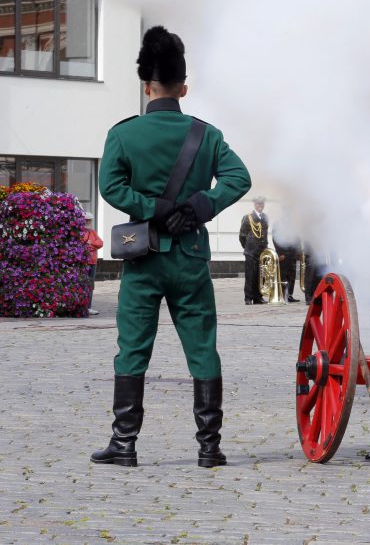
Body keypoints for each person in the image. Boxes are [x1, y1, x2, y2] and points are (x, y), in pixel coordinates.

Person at [95, 25, 251, 468]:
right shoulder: (207, 135)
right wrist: (198, 206)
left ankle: (124, 445)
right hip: (190, 258)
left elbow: (111, 186)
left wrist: (153, 207)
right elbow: (240, 179)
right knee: (202, 346)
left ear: (147, 86)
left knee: (132, 349)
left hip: (143, 257)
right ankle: (209, 448)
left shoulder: (123, 135)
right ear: (183, 87)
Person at [239, 197, 269, 305]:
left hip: (261, 250)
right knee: (250, 275)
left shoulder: (265, 217)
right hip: (251, 251)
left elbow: (265, 234)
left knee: (260, 275)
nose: (260, 205)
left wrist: (265, 247)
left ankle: (258, 297)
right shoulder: (248, 217)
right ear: (254, 204)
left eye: (262, 203)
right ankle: (248, 298)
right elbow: (242, 235)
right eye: (258, 203)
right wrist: (247, 247)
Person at [80, 211, 104, 316]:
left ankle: (88, 307)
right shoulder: (80, 232)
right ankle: (81, 306)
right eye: (86, 220)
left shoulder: (93, 232)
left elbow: (100, 243)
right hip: (83, 263)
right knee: (82, 284)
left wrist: (92, 244)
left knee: (90, 285)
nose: (88, 222)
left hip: (93, 262)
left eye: (89, 220)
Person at [273, 227, 301, 303]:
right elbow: (275, 239)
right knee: (283, 275)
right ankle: (282, 295)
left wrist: (298, 252)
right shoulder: (278, 224)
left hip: (293, 254)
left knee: (292, 276)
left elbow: (298, 239)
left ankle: (289, 295)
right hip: (283, 254)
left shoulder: (294, 224)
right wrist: (280, 253)